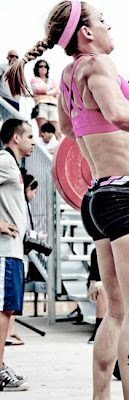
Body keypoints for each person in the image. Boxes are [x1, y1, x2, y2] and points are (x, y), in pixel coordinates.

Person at [6, 3, 129, 399]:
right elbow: (117, 113)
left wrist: (109, 145)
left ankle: (100, 397)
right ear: (87, 34)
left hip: (96, 196)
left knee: (116, 310)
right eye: (101, 20)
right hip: (123, 196)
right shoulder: (97, 65)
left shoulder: (68, 76)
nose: (108, 24)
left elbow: (66, 129)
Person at [0, 118, 35, 391]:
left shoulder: (13, 165)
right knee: (3, 311)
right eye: (30, 136)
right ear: (15, 137)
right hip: (4, 250)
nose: (33, 142)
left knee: (8, 310)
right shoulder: (4, 160)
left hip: (14, 251)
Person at [30, 59, 61, 140]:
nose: (43, 68)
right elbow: (38, 89)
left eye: (45, 66)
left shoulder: (51, 80)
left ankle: (60, 151)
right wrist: (51, 90)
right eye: (41, 66)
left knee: (58, 132)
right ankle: (43, 151)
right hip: (41, 106)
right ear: (37, 68)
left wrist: (45, 92)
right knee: (42, 131)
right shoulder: (34, 80)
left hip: (53, 106)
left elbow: (57, 90)